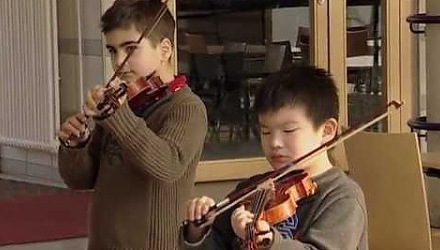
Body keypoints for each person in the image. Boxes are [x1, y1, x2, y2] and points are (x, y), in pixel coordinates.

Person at [57, 0, 207, 249]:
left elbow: (166, 167)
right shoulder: (122, 106)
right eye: (113, 50)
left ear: (165, 49)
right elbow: (81, 180)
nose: (119, 62)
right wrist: (77, 144)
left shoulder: (186, 108)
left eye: (130, 49)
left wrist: (117, 115)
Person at [181, 65, 368, 249]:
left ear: (327, 131)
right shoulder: (253, 190)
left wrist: (270, 242)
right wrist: (198, 231)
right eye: (265, 132)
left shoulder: (342, 197)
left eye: (289, 130)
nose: (275, 142)